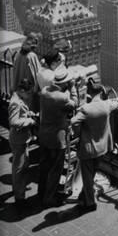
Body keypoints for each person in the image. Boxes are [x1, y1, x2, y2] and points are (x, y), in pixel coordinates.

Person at [70, 87, 118, 213]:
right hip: (103, 148)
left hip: (88, 148)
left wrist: (78, 132)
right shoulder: (106, 105)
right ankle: (83, 196)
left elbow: (73, 122)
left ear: (89, 95)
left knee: (87, 176)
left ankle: (90, 203)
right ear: (101, 93)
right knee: (91, 174)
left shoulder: (86, 109)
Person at [37, 67, 78, 207]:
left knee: (44, 166)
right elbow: (74, 103)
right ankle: (49, 198)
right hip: (57, 139)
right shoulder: (63, 97)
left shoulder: (44, 92)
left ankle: (41, 193)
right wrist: (72, 87)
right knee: (55, 169)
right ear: (65, 82)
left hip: (43, 135)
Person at [8, 78, 37, 208]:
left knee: (23, 165)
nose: (29, 96)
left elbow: (20, 116)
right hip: (18, 139)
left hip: (21, 138)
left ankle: (19, 191)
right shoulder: (16, 103)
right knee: (19, 168)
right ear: (22, 90)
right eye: (28, 93)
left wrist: (28, 114)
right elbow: (14, 122)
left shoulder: (19, 99)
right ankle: (19, 198)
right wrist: (30, 121)